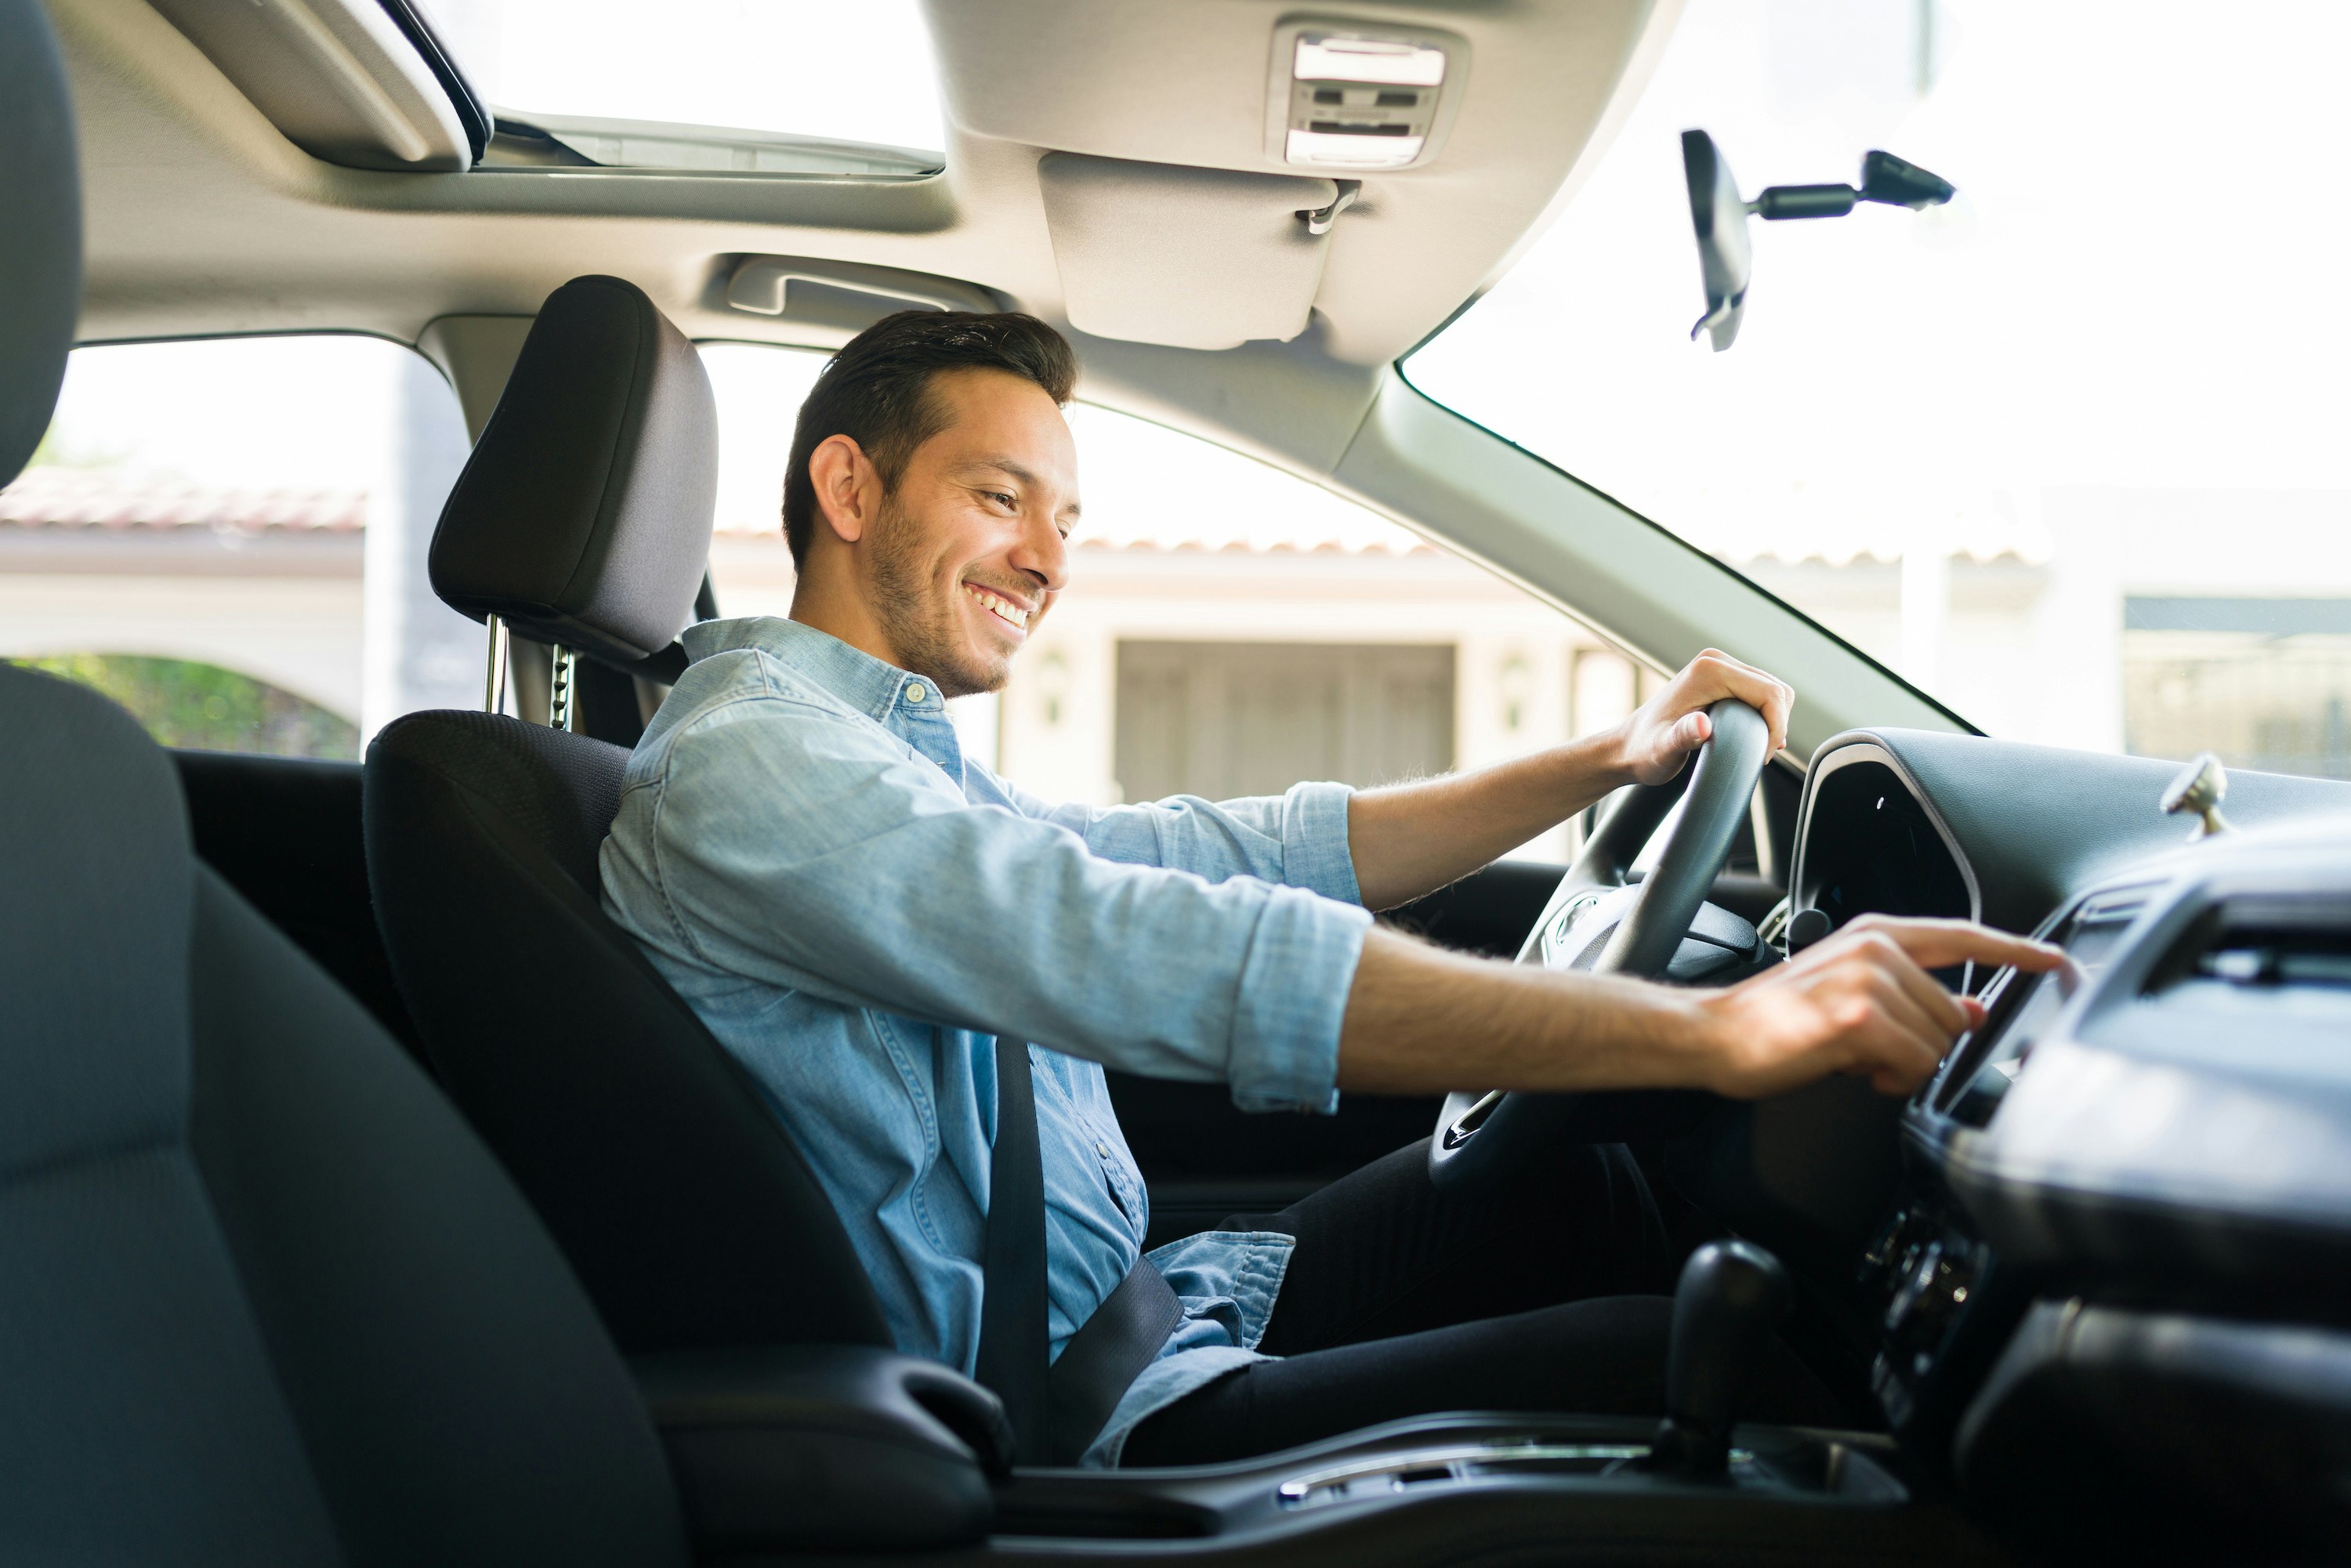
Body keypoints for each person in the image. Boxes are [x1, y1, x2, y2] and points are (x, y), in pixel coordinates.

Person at [599, 310, 2061, 1467]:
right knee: (1708, 1369)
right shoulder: (753, 770)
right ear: (849, 486)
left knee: (1582, 1191)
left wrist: (1605, 761)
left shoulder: (878, 755)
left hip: (1152, 1306)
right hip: (1075, 1420)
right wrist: (1717, 1033)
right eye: (1001, 498)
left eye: (1068, 523)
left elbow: (1207, 854)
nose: (1046, 560)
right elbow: (1137, 944)